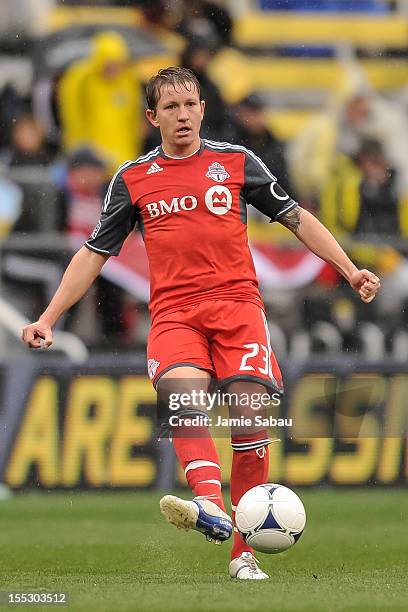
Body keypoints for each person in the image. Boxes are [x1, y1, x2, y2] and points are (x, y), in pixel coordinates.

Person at [21, 67, 381, 580]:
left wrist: (349, 270)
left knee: (251, 415)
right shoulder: (133, 179)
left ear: (202, 109)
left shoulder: (236, 162)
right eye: (171, 107)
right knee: (183, 394)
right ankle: (209, 502)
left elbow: (295, 215)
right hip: (175, 314)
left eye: (190, 104)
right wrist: (48, 317)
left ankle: (243, 553)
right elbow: (94, 252)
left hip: (238, 309)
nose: (183, 114)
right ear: (152, 117)